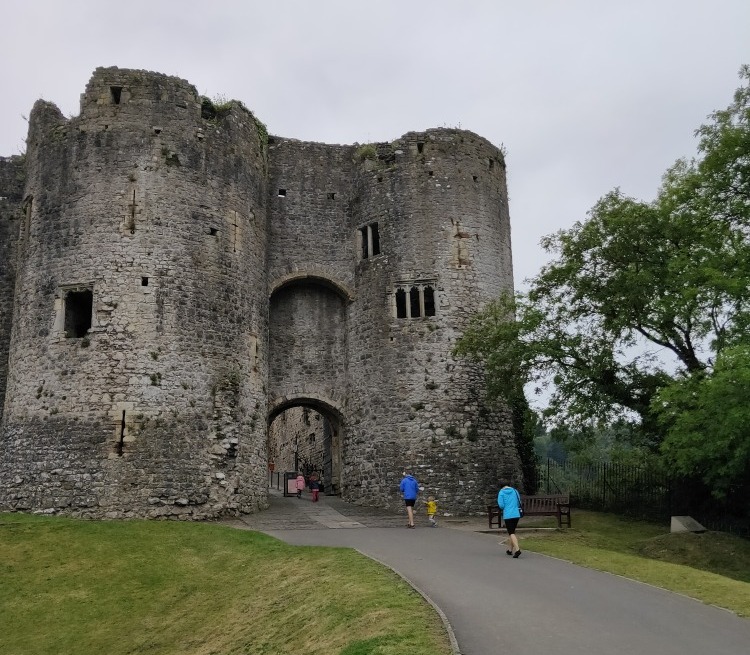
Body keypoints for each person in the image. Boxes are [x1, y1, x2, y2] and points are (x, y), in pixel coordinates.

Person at [497, 481, 523, 558]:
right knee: (512, 532)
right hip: (516, 514)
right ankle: (510, 550)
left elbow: (501, 505)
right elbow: (519, 503)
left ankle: (517, 550)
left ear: (501, 486)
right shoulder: (515, 491)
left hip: (508, 515)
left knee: (511, 532)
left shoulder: (501, 492)